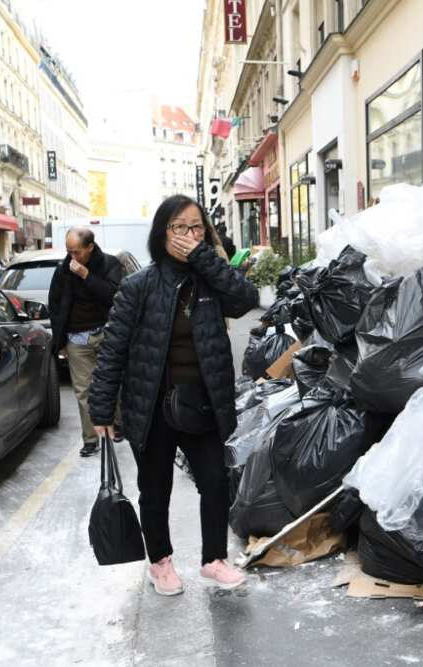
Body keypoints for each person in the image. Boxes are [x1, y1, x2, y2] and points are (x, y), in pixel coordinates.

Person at [89, 194, 257, 595]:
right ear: (162, 232)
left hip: (203, 402)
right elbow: (113, 349)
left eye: (196, 227)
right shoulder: (138, 286)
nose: (188, 234)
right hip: (152, 406)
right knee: (155, 487)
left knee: (216, 482)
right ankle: (160, 562)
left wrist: (205, 257)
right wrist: (101, 409)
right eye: (179, 227)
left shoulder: (211, 281)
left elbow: (246, 299)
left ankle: (214, 559)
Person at [48, 227, 126, 457]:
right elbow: (55, 305)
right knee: (83, 391)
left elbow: (115, 295)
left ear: (90, 248)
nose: (72, 257)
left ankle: (118, 425)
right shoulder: (63, 270)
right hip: (76, 338)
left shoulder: (109, 264)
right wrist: (60, 339)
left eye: (77, 252)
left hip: (106, 333)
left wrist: (85, 275)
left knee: (113, 382)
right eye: (69, 252)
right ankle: (91, 438)